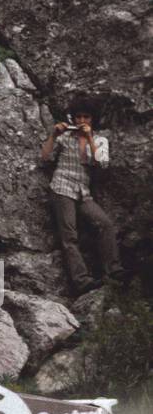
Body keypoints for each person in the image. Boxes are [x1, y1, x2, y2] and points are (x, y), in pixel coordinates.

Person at [40, 100, 124, 294]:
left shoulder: (101, 140)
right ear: (73, 118)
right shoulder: (65, 137)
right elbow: (44, 157)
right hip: (61, 187)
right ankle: (82, 280)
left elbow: (100, 163)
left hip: (83, 191)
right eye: (78, 117)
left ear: (92, 119)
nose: (82, 120)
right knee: (70, 235)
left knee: (106, 224)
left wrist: (90, 139)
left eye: (86, 117)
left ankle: (114, 270)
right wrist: (53, 135)